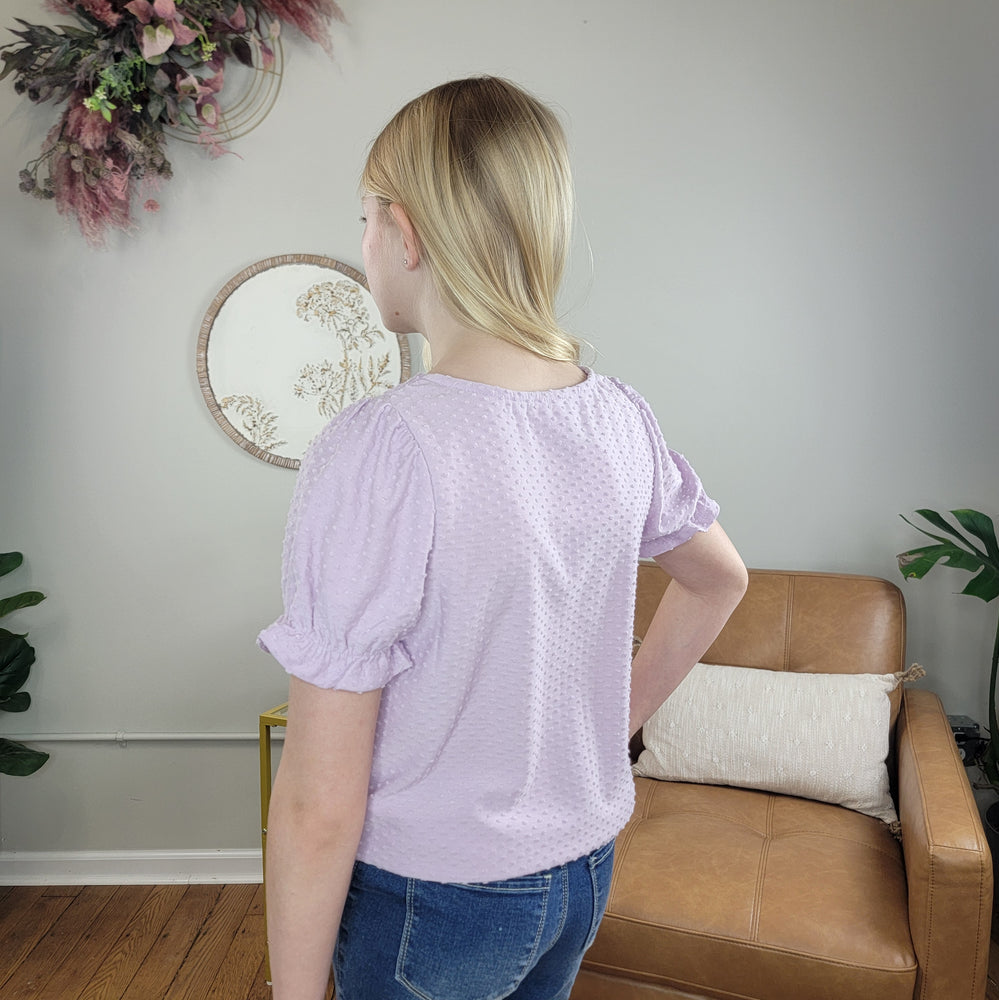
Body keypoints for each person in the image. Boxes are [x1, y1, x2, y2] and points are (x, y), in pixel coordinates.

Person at [258, 76, 748, 1000]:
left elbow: (320, 804)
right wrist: (610, 736)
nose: (363, 242)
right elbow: (719, 579)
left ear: (403, 231)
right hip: (581, 870)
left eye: (364, 217)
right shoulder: (617, 418)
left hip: (434, 897)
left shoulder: (386, 447)